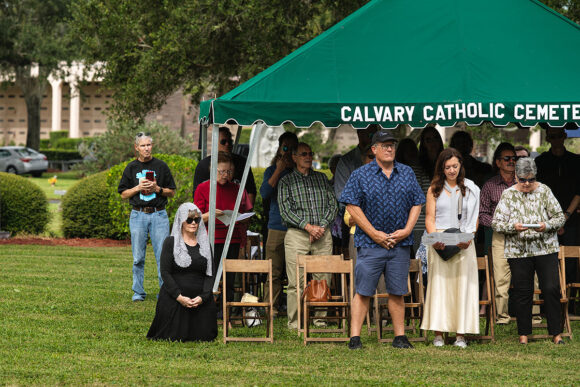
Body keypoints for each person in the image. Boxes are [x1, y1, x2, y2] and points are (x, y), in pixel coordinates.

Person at [340, 130, 424, 350]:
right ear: (373, 149)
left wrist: (407, 230)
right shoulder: (361, 174)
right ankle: (355, 338)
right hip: (369, 243)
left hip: (399, 243)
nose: (389, 149)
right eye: (384, 145)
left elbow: (417, 202)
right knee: (364, 290)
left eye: (392, 145)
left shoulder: (406, 172)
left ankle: (400, 337)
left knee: (398, 290)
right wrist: (374, 233)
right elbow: (351, 205)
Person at [492, 157, 566, 344]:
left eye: (531, 180)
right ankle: (523, 334)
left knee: (551, 288)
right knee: (523, 291)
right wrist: (513, 227)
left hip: (545, 248)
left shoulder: (544, 191)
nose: (526, 184)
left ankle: (556, 333)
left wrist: (546, 225)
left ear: (535, 177)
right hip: (518, 251)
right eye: (523, 179)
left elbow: (559, 217)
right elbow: (496, 223)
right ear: (515, 176)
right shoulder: (508, 194)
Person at [421, 148, 480, 348]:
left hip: (464, 241)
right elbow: (429, 218)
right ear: (442, 168)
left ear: (460, 166)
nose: (452, 170)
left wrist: (470, 237)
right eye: (448, 167)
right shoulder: (434, 189)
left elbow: (475, 218)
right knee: (440, 287)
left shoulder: (470, 188)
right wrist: (435, 238)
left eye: (455, 166)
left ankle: (460, 335)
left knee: (462, 286)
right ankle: (439, 334)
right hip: (440, 241)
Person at [278, 142, 338, 330]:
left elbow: (333, 205)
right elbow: (285, 211)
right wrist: (308, 227)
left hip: (322, 233)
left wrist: (320, 227)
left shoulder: (322, 178)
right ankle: (295, 323)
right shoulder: (286, 181)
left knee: (323, 279)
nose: (308, 157)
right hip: (297, 235)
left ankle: (319, 321)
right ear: (294, 157)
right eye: (304, 154)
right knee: (296, 281)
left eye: (310, 153)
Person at [118, 132, 176, 302]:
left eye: (149, 145)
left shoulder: (161, 166)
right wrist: (138, 188)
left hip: (159, 215)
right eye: (142, 146)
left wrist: (157, 189)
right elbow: (123, 194)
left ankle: (164, 292)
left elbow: (171, 192)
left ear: (152, 146)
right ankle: (138, 292)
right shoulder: (131, 168)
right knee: (138, 257)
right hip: (138, 215)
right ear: (136, 148)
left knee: (162, 257)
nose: (146, 148)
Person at [147, 203, 217, 342]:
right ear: (181, 221)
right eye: (189, 219)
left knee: (205, 336)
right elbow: (165, 272)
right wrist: (179, 297)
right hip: (175, 296)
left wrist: (203, 297)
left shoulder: (205, 245)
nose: (193, 223)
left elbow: (210, 274)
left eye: (197, 220)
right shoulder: (170, 242)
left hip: (199, 299)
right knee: (172, 335)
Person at [194, 152, 253, 306]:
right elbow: (196, 219)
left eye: (228, 172)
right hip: (210, 239)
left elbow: (247, 216)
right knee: (210, 278)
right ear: (213, 170)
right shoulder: (203, 188)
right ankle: (208, 311)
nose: (225, 175)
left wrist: (241, 218)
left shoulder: (237, 189)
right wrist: (210, 214)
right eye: (221, 171)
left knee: (229, 279)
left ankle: (226, 313)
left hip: (232, 239)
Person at [535, 127, 580, 314]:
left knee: (570, 262)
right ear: (547, 138)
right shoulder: (540, 161)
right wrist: (553, 220)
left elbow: (579, 192)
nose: (555, 140)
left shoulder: (576, 161)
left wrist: (565, 217)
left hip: (572, 220)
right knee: (548, 262)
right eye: (552, 136)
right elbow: (536, 192)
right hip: (546, 219)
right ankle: (549, 305)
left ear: (564, 136)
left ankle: (569, 305)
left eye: (558, 136)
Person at [260, 131, 299, 317]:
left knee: (296, 272)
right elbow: (265, 193)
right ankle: (271, 308)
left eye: (292, 149)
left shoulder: (300, 172)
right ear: (279, 148)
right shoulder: (271, 170)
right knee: (273, 271)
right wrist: (278, 169)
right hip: (277, 225)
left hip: (298, 227)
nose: (288, 152)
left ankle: (297, 308)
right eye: (285, 147)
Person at [479, 142, 517, 325]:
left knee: (527, 275)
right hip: (499, 235)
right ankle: (502, 317)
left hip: (521, 235)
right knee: (500, 278)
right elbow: (483, 213)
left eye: (514, 158)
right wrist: (497, 225)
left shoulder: (524, 182)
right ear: (498, 162)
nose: (511, 162)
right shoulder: (489, 185)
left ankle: (532, 315)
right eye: (507, 159)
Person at [192, 126, 256, 205]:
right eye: (223, 141)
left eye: (230, 141)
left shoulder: (242, 163)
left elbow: (250, 191)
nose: (227, 144)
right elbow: (197, 197)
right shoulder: (203, 165)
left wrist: (247, 214)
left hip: (237, 213)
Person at [333, 124, 379, 201]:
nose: (375, 138)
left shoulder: (384, 159)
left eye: (377, 135)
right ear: (359, 134)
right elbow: (341, 194)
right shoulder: (346, 161)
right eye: (371, 135)